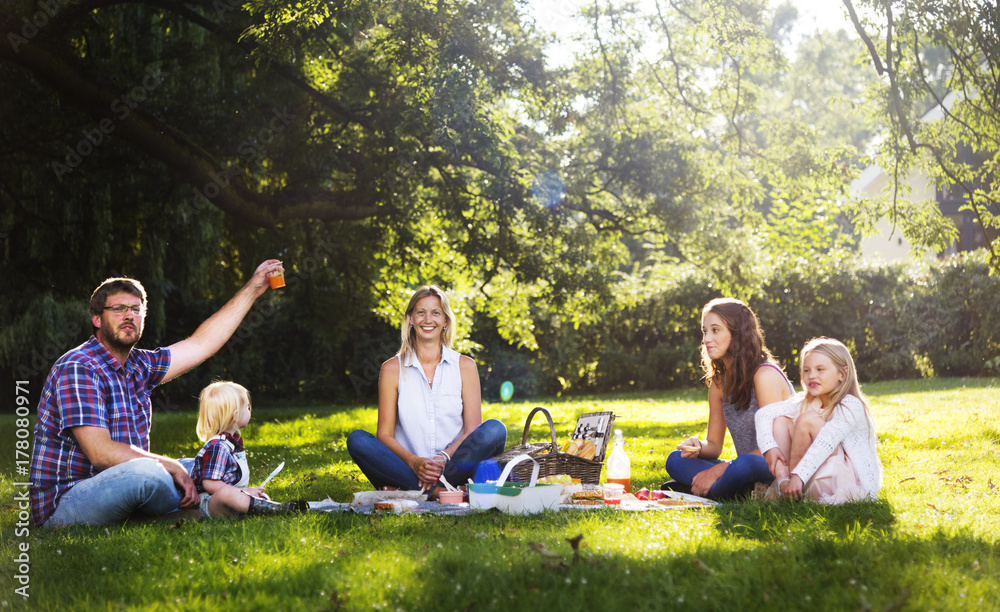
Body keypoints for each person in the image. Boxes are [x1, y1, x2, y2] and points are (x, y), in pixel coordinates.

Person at [30, 260, 284, 527]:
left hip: (122, 480)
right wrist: (171, 467)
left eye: (136, 310)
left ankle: (214, 499)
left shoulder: (140, 364)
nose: (129, 315)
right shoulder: (79, 366)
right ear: (96, 318)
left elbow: (201, 343)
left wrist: (254, 288)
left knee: (216, 467)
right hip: (67, 500)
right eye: (118, 309)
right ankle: (203, 508)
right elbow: (101, 453)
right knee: (149, 474)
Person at [346, 285, 507, 498]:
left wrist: (443, 458)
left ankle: (408, 490)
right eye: (421, 312)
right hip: (405, 466)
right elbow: (384, 435)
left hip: (454, 466)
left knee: (495, 429)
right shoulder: (391, 369)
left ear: (445, 321)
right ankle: (440, 492)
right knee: (358, 440)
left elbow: (472, 430)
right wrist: (415, 462)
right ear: (411, 319)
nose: (428, 319)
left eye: (436, 313)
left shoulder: (465, 366)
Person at [664, 298, 794, 500]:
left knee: (742, 464)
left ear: (738, 333)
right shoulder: (718, 383)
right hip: (741, 468)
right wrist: (698, 446)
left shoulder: (764, 375)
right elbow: (714, 445)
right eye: (705, 331)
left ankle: (702, 491)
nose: (707, 339)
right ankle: (739, 491)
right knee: (675, 460)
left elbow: (777, 448)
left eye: (715, 330)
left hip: (776, 464)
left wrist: (717, 471)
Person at [756, 337, 882, 503]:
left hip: (846, 479)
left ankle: (792, 489)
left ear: (842, 374)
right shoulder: (806, 401)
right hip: (812, 470)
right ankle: (784, 484)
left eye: (820, 369)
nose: (812, 376)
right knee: (780, 420)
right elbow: (763, 414)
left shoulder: (850, 405)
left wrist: (798, 476)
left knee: (807, 421)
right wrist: (770, 449)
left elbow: (825, 443)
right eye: (807, 370)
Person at [192, 381, 307, 517]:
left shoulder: (231, 443)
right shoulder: (218, 446)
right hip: (207, 504)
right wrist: (243, 492)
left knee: (261, 495)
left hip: (229, 498)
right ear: (235, 414)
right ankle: (271, 509)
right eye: (247, 408)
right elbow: (210, 484)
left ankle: (270, 508)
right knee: (227, 494)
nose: (249, 411)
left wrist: (247, 492)